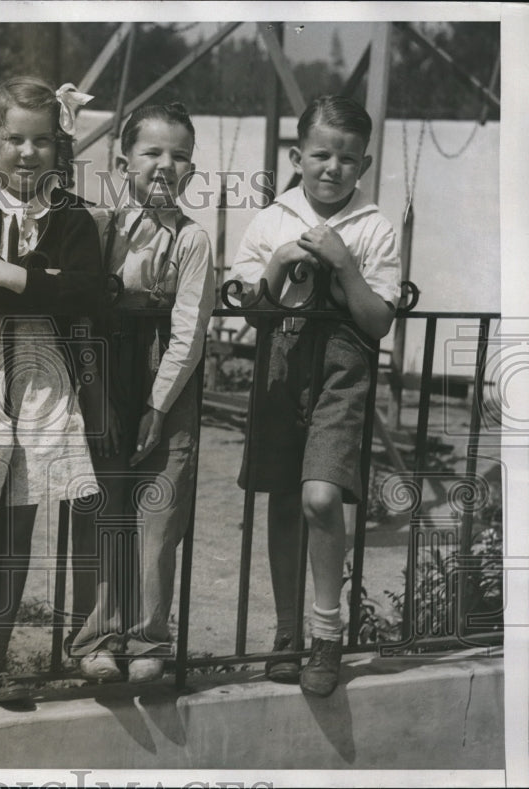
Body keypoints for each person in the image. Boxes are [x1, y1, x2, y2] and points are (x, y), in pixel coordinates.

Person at [0, 76, 104, 705]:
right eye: (14, 139)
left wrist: (8, 273)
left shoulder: (71, 218)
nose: (27, 153)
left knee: (19, 523)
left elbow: (89, 290)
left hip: (44, 379)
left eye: (41, 141)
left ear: (58, 149)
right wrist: (42, 280)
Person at [230, 95, 401, 697]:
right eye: (321, 154)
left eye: (347, 158)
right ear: (298, 155)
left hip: (342, 367)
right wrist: (279, 261)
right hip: (280, 362)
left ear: (365, 163)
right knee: (284, 498)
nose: (332, 168)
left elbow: (379, 322)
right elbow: (251, 313)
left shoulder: (375, 225)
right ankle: (287, 635)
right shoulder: (271, 217)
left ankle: (326, 636)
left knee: (322, 498)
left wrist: (344, 264)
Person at [69, 103, 215, 683]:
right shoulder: (99, 229)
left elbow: (189, 330)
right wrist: (95, 390)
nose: (164, 165)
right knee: (104, 503)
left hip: (168, 379)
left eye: (179, 156)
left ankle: (149, 638)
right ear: (122, 159)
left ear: (191, 171)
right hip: (106, 370)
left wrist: (159, 404)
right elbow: (80, 309)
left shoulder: (193, 240)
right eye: (152, 152)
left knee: (160, 509)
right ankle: (97, 638)